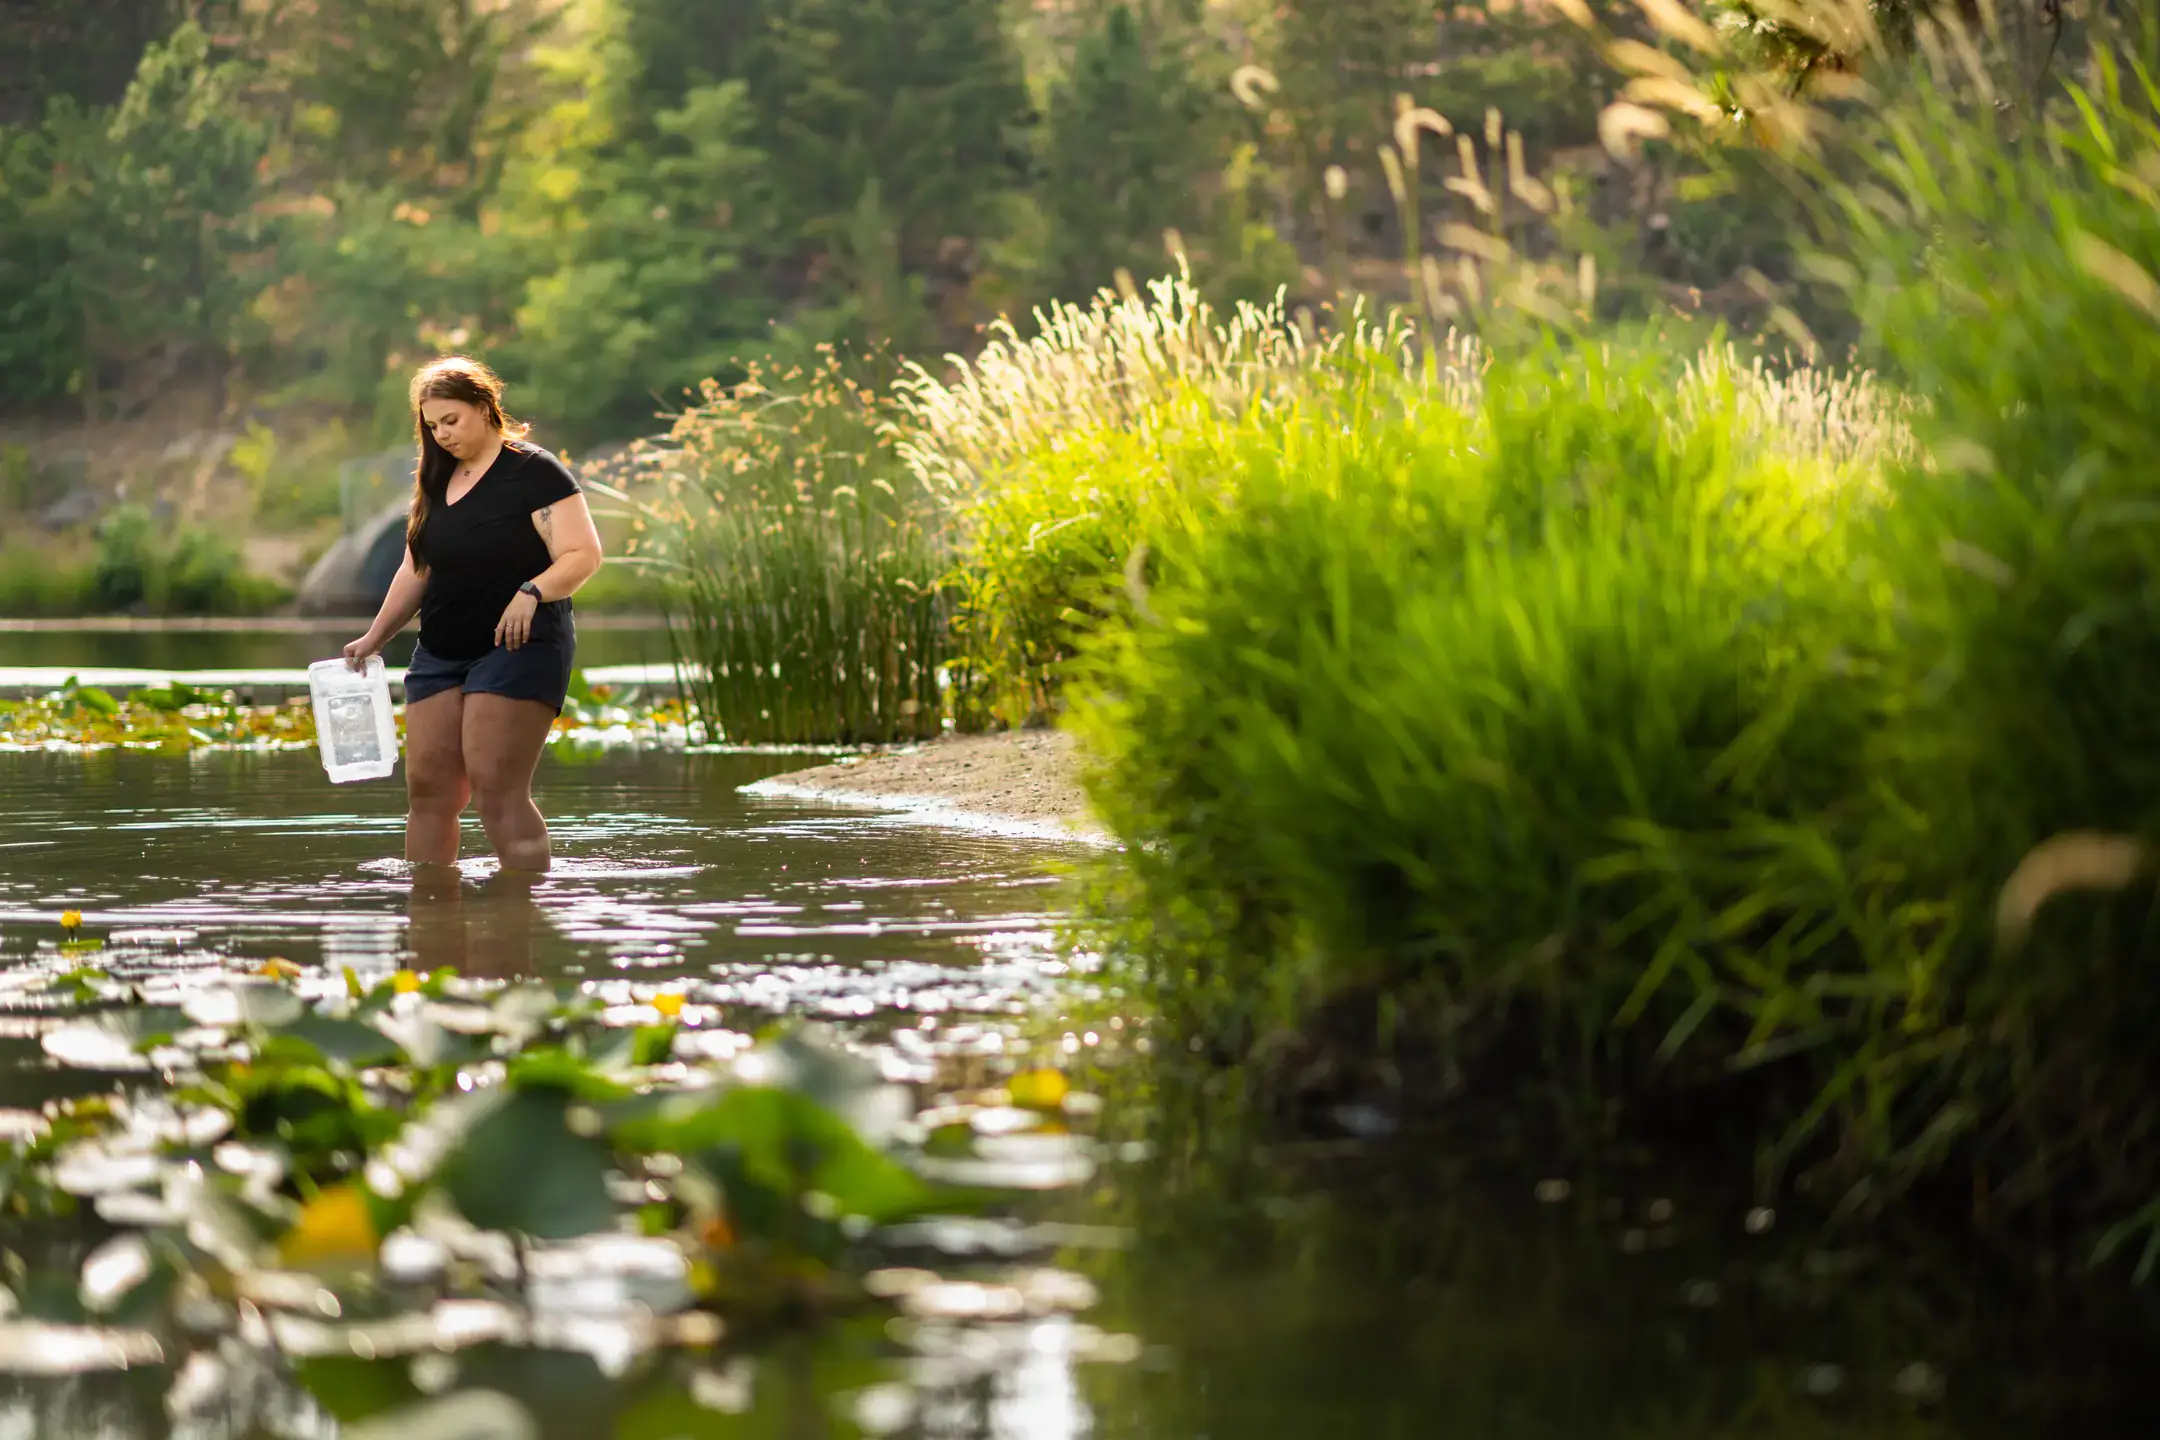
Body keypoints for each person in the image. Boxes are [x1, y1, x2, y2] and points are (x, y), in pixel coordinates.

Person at [343, 357, 603, 873]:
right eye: (432, 425)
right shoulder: (437, 479)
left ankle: (520, 919)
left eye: (451, 421)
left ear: (485, 409)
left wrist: (532, 590)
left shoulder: (533, 471)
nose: (441, 435)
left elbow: (582, 555)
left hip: (518, 648)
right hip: (440, 652)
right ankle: (433, 920)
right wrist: (375, 636)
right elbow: (417, 570)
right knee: (429, 791)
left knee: (494, 785)